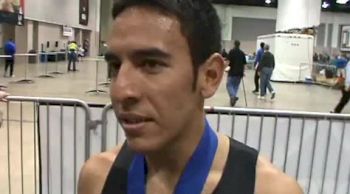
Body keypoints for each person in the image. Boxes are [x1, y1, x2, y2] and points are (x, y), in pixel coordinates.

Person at [78, 1, 302, 194]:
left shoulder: (269, 189)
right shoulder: (97, 178)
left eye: (151, 64)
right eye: (116, 66)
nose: (121, 91)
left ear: (210, 76)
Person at [226, 40, 246, 106]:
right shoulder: (242, 53)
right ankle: (233, 98)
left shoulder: (231, 52)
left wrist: (226, 68)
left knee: (229, 85)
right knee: (236, 86)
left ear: (234, 44)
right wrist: (243, 72)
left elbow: (228, 61)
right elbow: (244, 64)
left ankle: (232, 96)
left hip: (232, 71)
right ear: (239, 45)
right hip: (239, 73)